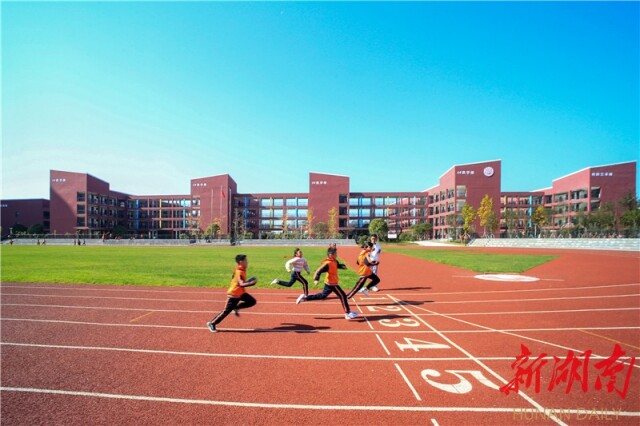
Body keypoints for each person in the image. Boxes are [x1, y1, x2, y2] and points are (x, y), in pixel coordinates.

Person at [296, 247, 358, 320]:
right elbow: (319, 270)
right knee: (343, 296)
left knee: (323, 296)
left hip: (330, 283)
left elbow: (336, 265)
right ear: (330, 255)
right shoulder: (327, 263)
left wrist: (342, 266)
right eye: (335, 254)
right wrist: (316, 279)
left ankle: (305, 298)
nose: (336, 255)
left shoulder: (334, 261)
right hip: (332, 284)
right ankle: (347, 313)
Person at [207, 254, 257, 333]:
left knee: (252, 301)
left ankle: (236, 307)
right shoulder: (239, 271)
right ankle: (212, 323)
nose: (247, 262)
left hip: (241, 293)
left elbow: (235, 279)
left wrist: (247, 281)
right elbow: (241, 283)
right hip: (234, 295)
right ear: (241, 262)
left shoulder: (241, 269)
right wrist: (252, 283)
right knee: (226, 311)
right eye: (246, 261)